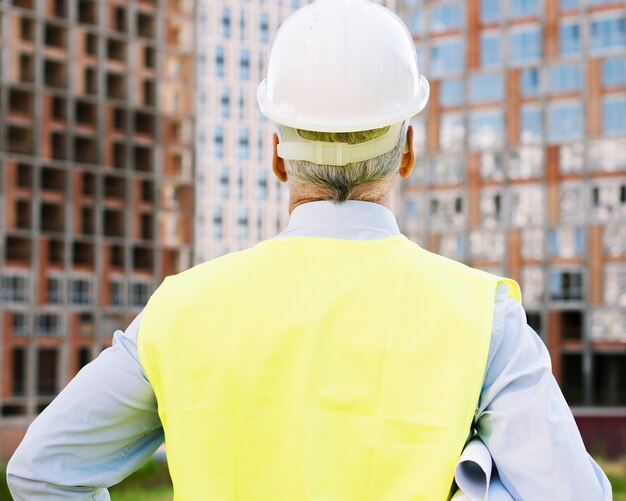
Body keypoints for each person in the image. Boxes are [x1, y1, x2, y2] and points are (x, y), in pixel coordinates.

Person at [7, 0, 612, 499]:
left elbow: (41, 470)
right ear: (407, 151)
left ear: (277, 156)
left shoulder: (181, 309)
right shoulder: (485, 321)